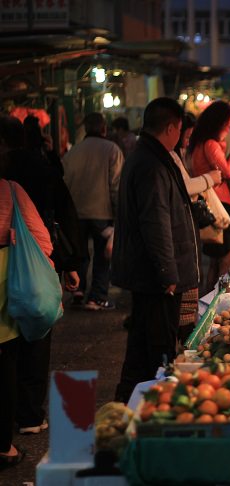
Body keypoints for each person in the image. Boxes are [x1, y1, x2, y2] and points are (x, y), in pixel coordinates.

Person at [112, 98, 198, 403]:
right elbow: (155, 220)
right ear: (172, 127)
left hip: (148, 273)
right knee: (158, 346)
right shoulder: (151, 163)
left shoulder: (146, 155)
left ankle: (127, 403)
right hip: (156, 277)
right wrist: (168, 273)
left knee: (140, 346)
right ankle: (151, 406)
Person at [4, 115, 82, 434]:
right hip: (27, 267)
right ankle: (30, 416)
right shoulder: (21, 180)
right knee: (34, 338)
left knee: (7, 350)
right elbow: (45, 236)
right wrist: (66, 262)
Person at [0, 175, 53, 469]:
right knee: (6, 360)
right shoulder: (9, 190)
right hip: (4, 282)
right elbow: (41, 240)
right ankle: (4, 446)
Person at [63, 112, 124, 310]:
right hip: (103, 213)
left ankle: (78, 290)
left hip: (76, 213)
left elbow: (64, 183)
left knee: (80, 253)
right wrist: (119, 215)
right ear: (104, 128)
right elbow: (116, 185)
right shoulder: (112, 149)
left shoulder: (73, 152)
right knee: (102, 257)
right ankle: (97, 297)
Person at [170, 112, 221, 343]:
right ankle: (183, 331)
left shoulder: (175, 153)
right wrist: (211, 178)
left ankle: (185, 326)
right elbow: (186, 186)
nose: (188, 141)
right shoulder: (168, 156)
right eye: (186, 135)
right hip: (177, 233)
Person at [189, 101, 230, 291]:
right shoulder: (210, 144)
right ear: (220, 123)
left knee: (217, 260)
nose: (229, 127)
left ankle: (210, 297)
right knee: (228, 257)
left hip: (214, 203)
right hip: (219, 205)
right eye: (227, 123)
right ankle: (220, 299)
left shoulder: (200, 143)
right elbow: (227, 172)